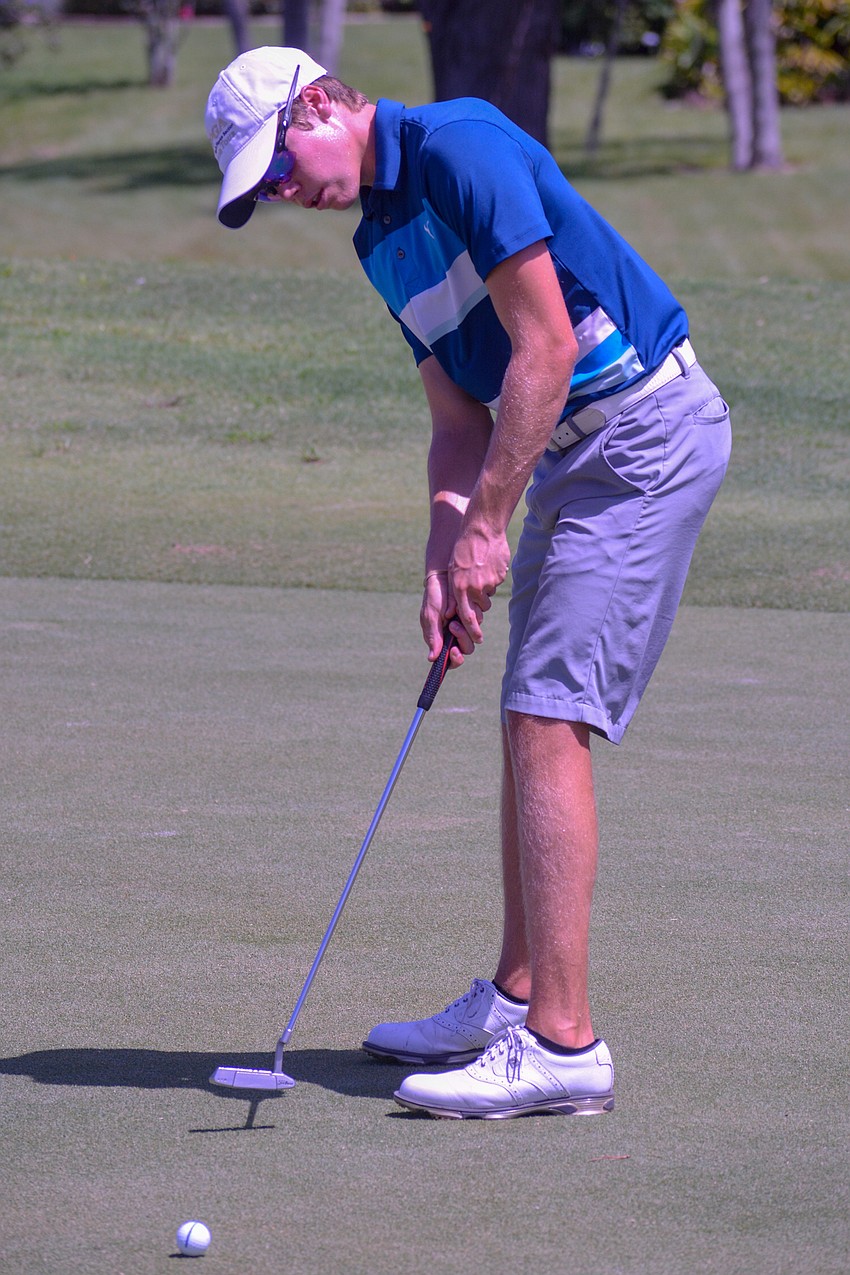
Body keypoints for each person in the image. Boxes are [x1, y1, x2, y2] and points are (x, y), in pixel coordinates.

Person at [205, 46, 732, 1120]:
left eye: (276, 165)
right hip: (566, 458)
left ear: (318, 103)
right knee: (524, 720)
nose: (281, 193)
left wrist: (493, 522)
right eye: (262, 189)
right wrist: (449, 544)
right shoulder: (378, 240)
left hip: (638, 438)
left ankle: (564, 1048)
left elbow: (541, 351)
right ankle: (515, 998)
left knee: (549, 717)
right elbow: (460, 420)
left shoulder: (461, 146)